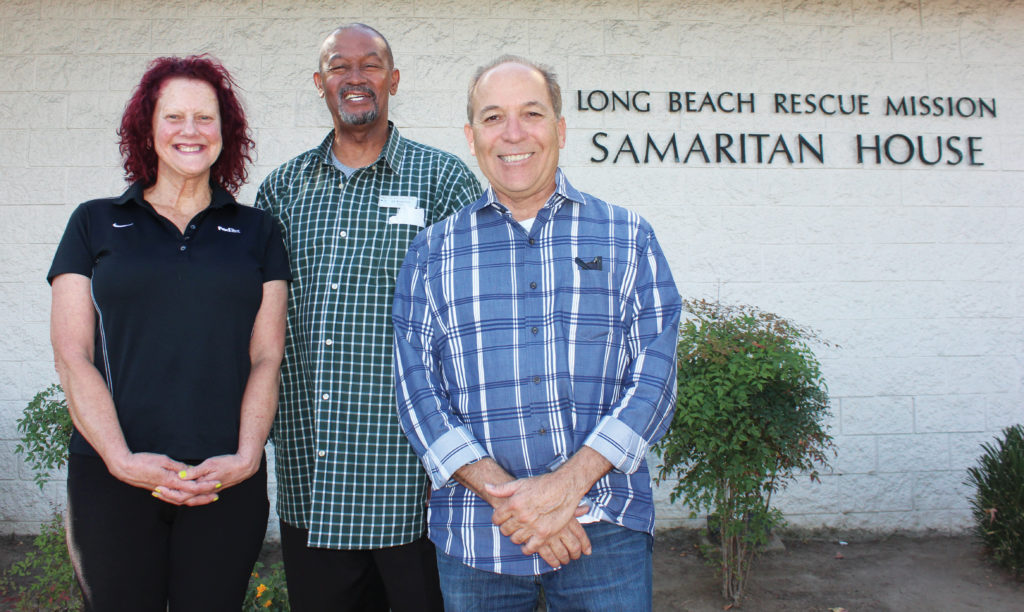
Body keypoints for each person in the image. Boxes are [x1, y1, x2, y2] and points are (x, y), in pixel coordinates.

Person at [393, 55, 682, 611]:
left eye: (532, 113)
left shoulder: (628, 237)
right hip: (477, 537)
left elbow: (656, 377)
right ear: (471, 136)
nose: (514, 133)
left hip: (604, 530)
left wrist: (564, 488)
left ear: (561, 128)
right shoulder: (432, 253)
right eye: (494, 117)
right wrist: (517, 502)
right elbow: (417, 392)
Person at [48, 55, 290, 611]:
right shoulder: (95, 222)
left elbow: (266, 357)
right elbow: (72, 354)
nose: (190, 131)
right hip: (112, 477)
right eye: (174, 117)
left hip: (221, 479)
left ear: (225, 133)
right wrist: (119, 457)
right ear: (148, 129)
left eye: (205, 118)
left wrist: (248, 456)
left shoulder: (257, 231)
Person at [255, 24, 481, 611]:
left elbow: (471, 324)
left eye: (371, 64)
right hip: (316, 476)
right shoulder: (282, 190)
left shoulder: (444, 181)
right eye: (339, 66)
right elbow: (261, 327)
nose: (355, 77)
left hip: (410, 482)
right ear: (320, 83)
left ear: (394, 79)